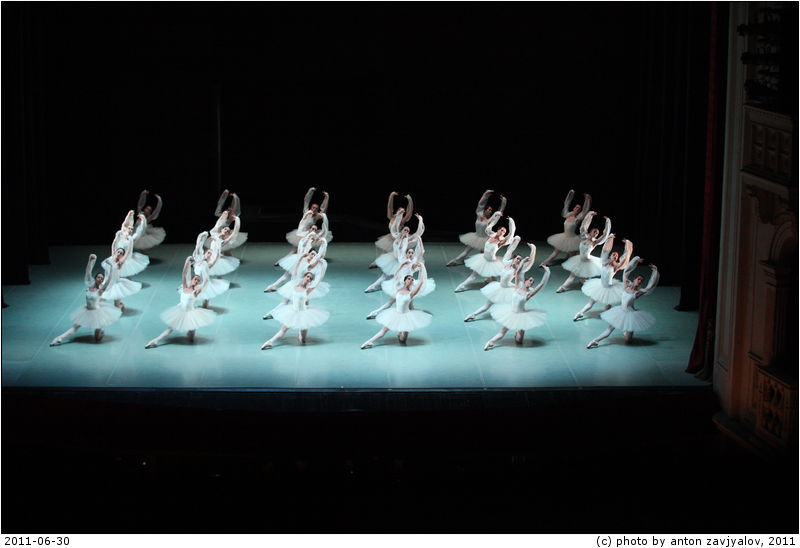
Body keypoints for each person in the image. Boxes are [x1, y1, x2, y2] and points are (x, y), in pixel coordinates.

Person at [50, 254, 122, 345]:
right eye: (98, 277)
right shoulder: (89, 286)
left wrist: (111, 266)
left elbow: (109, 279)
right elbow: (88, 272)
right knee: (75, 327)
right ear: (95, 278)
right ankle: (59, 338)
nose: (100, 279)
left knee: (97, 339)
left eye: (102, 278)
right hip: (86, 311)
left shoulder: (101, 290)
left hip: (97, 313)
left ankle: (101, 330)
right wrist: (90, 260)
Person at [586, 259, 659, 348]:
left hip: (631, 315)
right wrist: (635, 260)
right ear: (634, 279)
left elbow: (650, 286)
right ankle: (594, 341)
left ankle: (626, 331)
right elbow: (626, 272)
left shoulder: (638, 293)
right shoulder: (626, 286)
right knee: (609, 329)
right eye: (638, 279)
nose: (639, 281)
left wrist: (655, 272)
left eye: (641, 280)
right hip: (620, 312)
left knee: (628, 340)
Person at [145, 256, 215, 348]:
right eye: (195, 279)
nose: (196, 281)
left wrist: (205, 267)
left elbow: (206, 281)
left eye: (198, 281)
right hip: (181, 310)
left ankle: (190, 333)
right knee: (170, 328)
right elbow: (184, 274)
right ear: (192, 279)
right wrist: (187, 261)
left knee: (191, 338)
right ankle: (155, 341)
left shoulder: (196, 291)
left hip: (190, 313)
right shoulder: (185, 287)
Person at [484, 258, 551, 350]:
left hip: (521, 315)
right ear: (525, 280)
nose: (531, 283)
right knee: (502, 333)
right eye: (530, 280)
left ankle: (518, 334)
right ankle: (490, 342)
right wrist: (523, 261)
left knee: (519, 341)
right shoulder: (517, 287)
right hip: (511, 313)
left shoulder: (528, 294)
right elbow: (518, 273)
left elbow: (541, 284)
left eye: (533, 282)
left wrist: (547, 272)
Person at [361, 264, 431, 349]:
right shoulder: (398, 290)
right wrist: (402, 266)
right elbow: (396, 275)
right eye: (409, 278)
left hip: (405, 316)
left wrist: (422, 267)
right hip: (395, 314)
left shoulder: (411, 293)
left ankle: (400, 333)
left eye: (412, 279)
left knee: (402, 340)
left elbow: (422, 281)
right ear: (404, 281)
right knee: (383, 331)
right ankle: (368, 342)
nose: (410, 280)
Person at [464, 238, 530, 322]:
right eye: (518, 258)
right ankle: (473, 314)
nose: (518, 260)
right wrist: (516, 241)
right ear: (513, 258)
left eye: (520, 260)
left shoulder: (516, 270)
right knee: (487, 305)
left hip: (507, 290)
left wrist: (528, 255)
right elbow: (509, 250)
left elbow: (523, 267)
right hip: (498, 288)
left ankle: (516, 317)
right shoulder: (506, 263)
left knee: (511, 305)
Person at [261, 271, 330, 349]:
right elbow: (295, 272)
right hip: (293, 312)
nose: (308, 278)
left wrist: (322, 269)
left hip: (303, 314)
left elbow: (317, 282)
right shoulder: (294, 286)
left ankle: (301, 335)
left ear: (311, 281)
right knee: (283, 330)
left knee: (303, 340)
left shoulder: (308, 290)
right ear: (304, 277)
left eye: (310, 278)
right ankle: (269, 342)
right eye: (307, 276)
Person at [573, 236, 632, 321]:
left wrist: (627, 244)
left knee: (608, 304)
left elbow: (625, 258)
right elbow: (605, 250)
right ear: (610, 256)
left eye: (616, 256)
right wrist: (610, 238)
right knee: (591, 303)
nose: (615, 256)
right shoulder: (604, 262)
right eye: (613, 254)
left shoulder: (616, 267)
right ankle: (579, 313)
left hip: (609, 288)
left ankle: (609, 315)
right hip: (600, 287)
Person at [453, 213, 515, 292]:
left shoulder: (501, 241)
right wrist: (496, 216)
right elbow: (490, 225)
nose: (503, 232)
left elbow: (511, 233)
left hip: (491, 262)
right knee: (473, 276)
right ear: (498, 230)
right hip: (483, 259)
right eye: (502, 230)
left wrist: (511, 221)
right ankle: (461, 287)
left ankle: (499, 287)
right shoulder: (491, 235)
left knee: (493, 277)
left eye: (504, 232)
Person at [365, 213, 424, 293]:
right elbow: (394, 227)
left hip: (402, 261)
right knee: (384, 276)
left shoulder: (407, 239)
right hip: (394, 260)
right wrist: (399, 215)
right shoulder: (396, 236)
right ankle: (372, 287)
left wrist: (420, 220)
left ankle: (403, 288)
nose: (406, 231)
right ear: (402, 230)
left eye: (407, 231)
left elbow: (418, 233)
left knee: (400, 277)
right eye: (405, 230)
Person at [446, 189, 506, 266]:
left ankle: (482, 265)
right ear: (485, 210)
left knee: (484, 255)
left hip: (485, 240)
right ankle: (455, 261)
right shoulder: (479, 215)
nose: (491, 211)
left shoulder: (491, 220)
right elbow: (480, 204)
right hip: (476, 237)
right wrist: (486, 194)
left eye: (491, 210)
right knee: (466, 251)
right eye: (489, 209)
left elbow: (500, 212)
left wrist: (503, 202)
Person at [556, 211, 610, 293]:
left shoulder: (595, 242)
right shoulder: (584, 236)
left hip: (588, 261)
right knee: (572, 275)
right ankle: (563, 287)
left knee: (588, 276)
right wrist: (590, 215)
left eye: (597, 233)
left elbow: (605, 235)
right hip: (580, 260)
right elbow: (584, 225)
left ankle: (589, 285)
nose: (596, 233)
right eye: (594, 231)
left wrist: (607, 222)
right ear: (590, 232)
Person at [539, 189, 591, 266]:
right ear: (573, 208)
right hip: (563, 237)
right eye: (576, 207)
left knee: (573, 255)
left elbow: (585, 210)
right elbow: (566, 203)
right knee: (555, 252)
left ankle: (576, 264)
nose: (577, 209)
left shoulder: (577, 219)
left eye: (579, 208)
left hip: (572, 239)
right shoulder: (567, 215)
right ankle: (544, 263)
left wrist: (587, 199)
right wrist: (570, 194)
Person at [110, 210, 150, 277]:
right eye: (129, 228)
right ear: (126, 229)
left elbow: (140, 230)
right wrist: (129, 215)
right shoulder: (121, 234)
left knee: (126, 273)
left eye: (132, 229)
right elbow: (124, 224)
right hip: (117, 255)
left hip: (126, 258)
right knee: (114, 272)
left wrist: (143, 220)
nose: (131, 230)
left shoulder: (132, 238)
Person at [374, 191, 414, 257]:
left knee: (399, 253)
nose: (401, 211)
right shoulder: (391, 217)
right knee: (387, 253)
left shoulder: (402, 221)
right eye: (400, 210)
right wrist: (391, 195)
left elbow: (410, 212)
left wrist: (410, 200)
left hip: (399, 238)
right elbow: (389, 207)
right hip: (391, 238)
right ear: (397, 211)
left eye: (403, 211)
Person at [101, 246, 141, 310]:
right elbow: (112, 248)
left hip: (115, 284)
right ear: (115, 252)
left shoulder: (120, 263)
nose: (119, 253)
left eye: (121, 253)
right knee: (101, 299)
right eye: (118, 252)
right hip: (106, 283)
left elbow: (126, 255)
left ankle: (120, 306)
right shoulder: (109, 260)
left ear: (122, 256)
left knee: (116, 305)